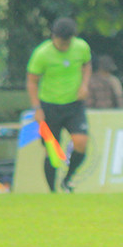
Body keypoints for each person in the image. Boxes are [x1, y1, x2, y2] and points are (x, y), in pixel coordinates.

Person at [26, 17, 92, 193]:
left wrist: (84, 84)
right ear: (53, 37)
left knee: (81, 142)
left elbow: (87, 65)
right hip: (49, 106)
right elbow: (32, 81)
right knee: (52, 152)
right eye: (61, 41)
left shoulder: (81, 47)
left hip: (74, 105)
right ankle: (52, 192)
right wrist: (37, 108)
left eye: (67, 42)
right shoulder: (42, 54)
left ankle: (67, 180)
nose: (64, 45)